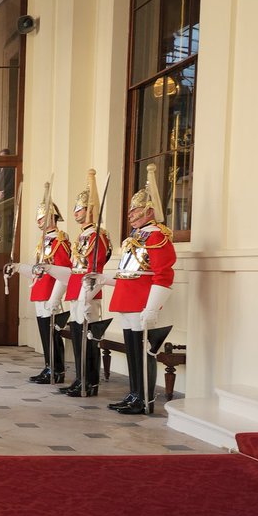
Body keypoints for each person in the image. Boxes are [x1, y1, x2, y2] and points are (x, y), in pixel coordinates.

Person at [105, 164, 177, 415]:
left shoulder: (157, 236)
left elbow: (163, 275)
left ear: (150, 210)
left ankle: (144, 398)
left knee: (143, 352)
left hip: (141, 301)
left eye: (135, 209)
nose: (131, 214)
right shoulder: (135, 237)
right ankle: (134, 393)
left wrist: (152, 308)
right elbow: (128, 273)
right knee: (132, 351)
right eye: (131, 209)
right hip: (127, 299)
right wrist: (104, 280)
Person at [61, 170, 112, 397]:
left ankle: (90, 382)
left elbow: (96, 266)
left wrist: (86, 293)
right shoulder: (82, 236)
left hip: (88, 290)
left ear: (91, 210)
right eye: (75, 208)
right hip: (76, 288)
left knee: (89, 338)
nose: (76, 212)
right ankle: (80, 378)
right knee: (78, 336)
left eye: (80, 208)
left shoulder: (97, 236)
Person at [24, 184, 72, 384]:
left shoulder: (58, 241)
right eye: (38, 218)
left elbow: (64, 271)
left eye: (42, 217)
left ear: (52, 218)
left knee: (52, 334)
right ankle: (49, 366)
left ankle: (56, 370)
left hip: (50, 292)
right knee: (45, 333)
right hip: (40, 290)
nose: (38, 221)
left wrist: (55, 297)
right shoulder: (44, 242)